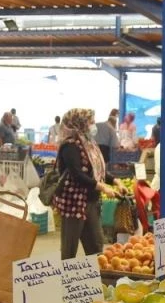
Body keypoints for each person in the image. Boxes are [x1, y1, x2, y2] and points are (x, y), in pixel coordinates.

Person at [53, 108, 127, 260]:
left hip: (91, 202)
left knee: (96, 245)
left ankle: (94, 280)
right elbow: (78, 174)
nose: (93, 125)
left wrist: (115, 181)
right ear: (79, 123)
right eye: (90, 122)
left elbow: (98, 170)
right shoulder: (69, 145)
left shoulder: (90, 143)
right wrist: (102, 187)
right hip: (74, 203)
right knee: (69, 248)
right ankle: (67, 280)